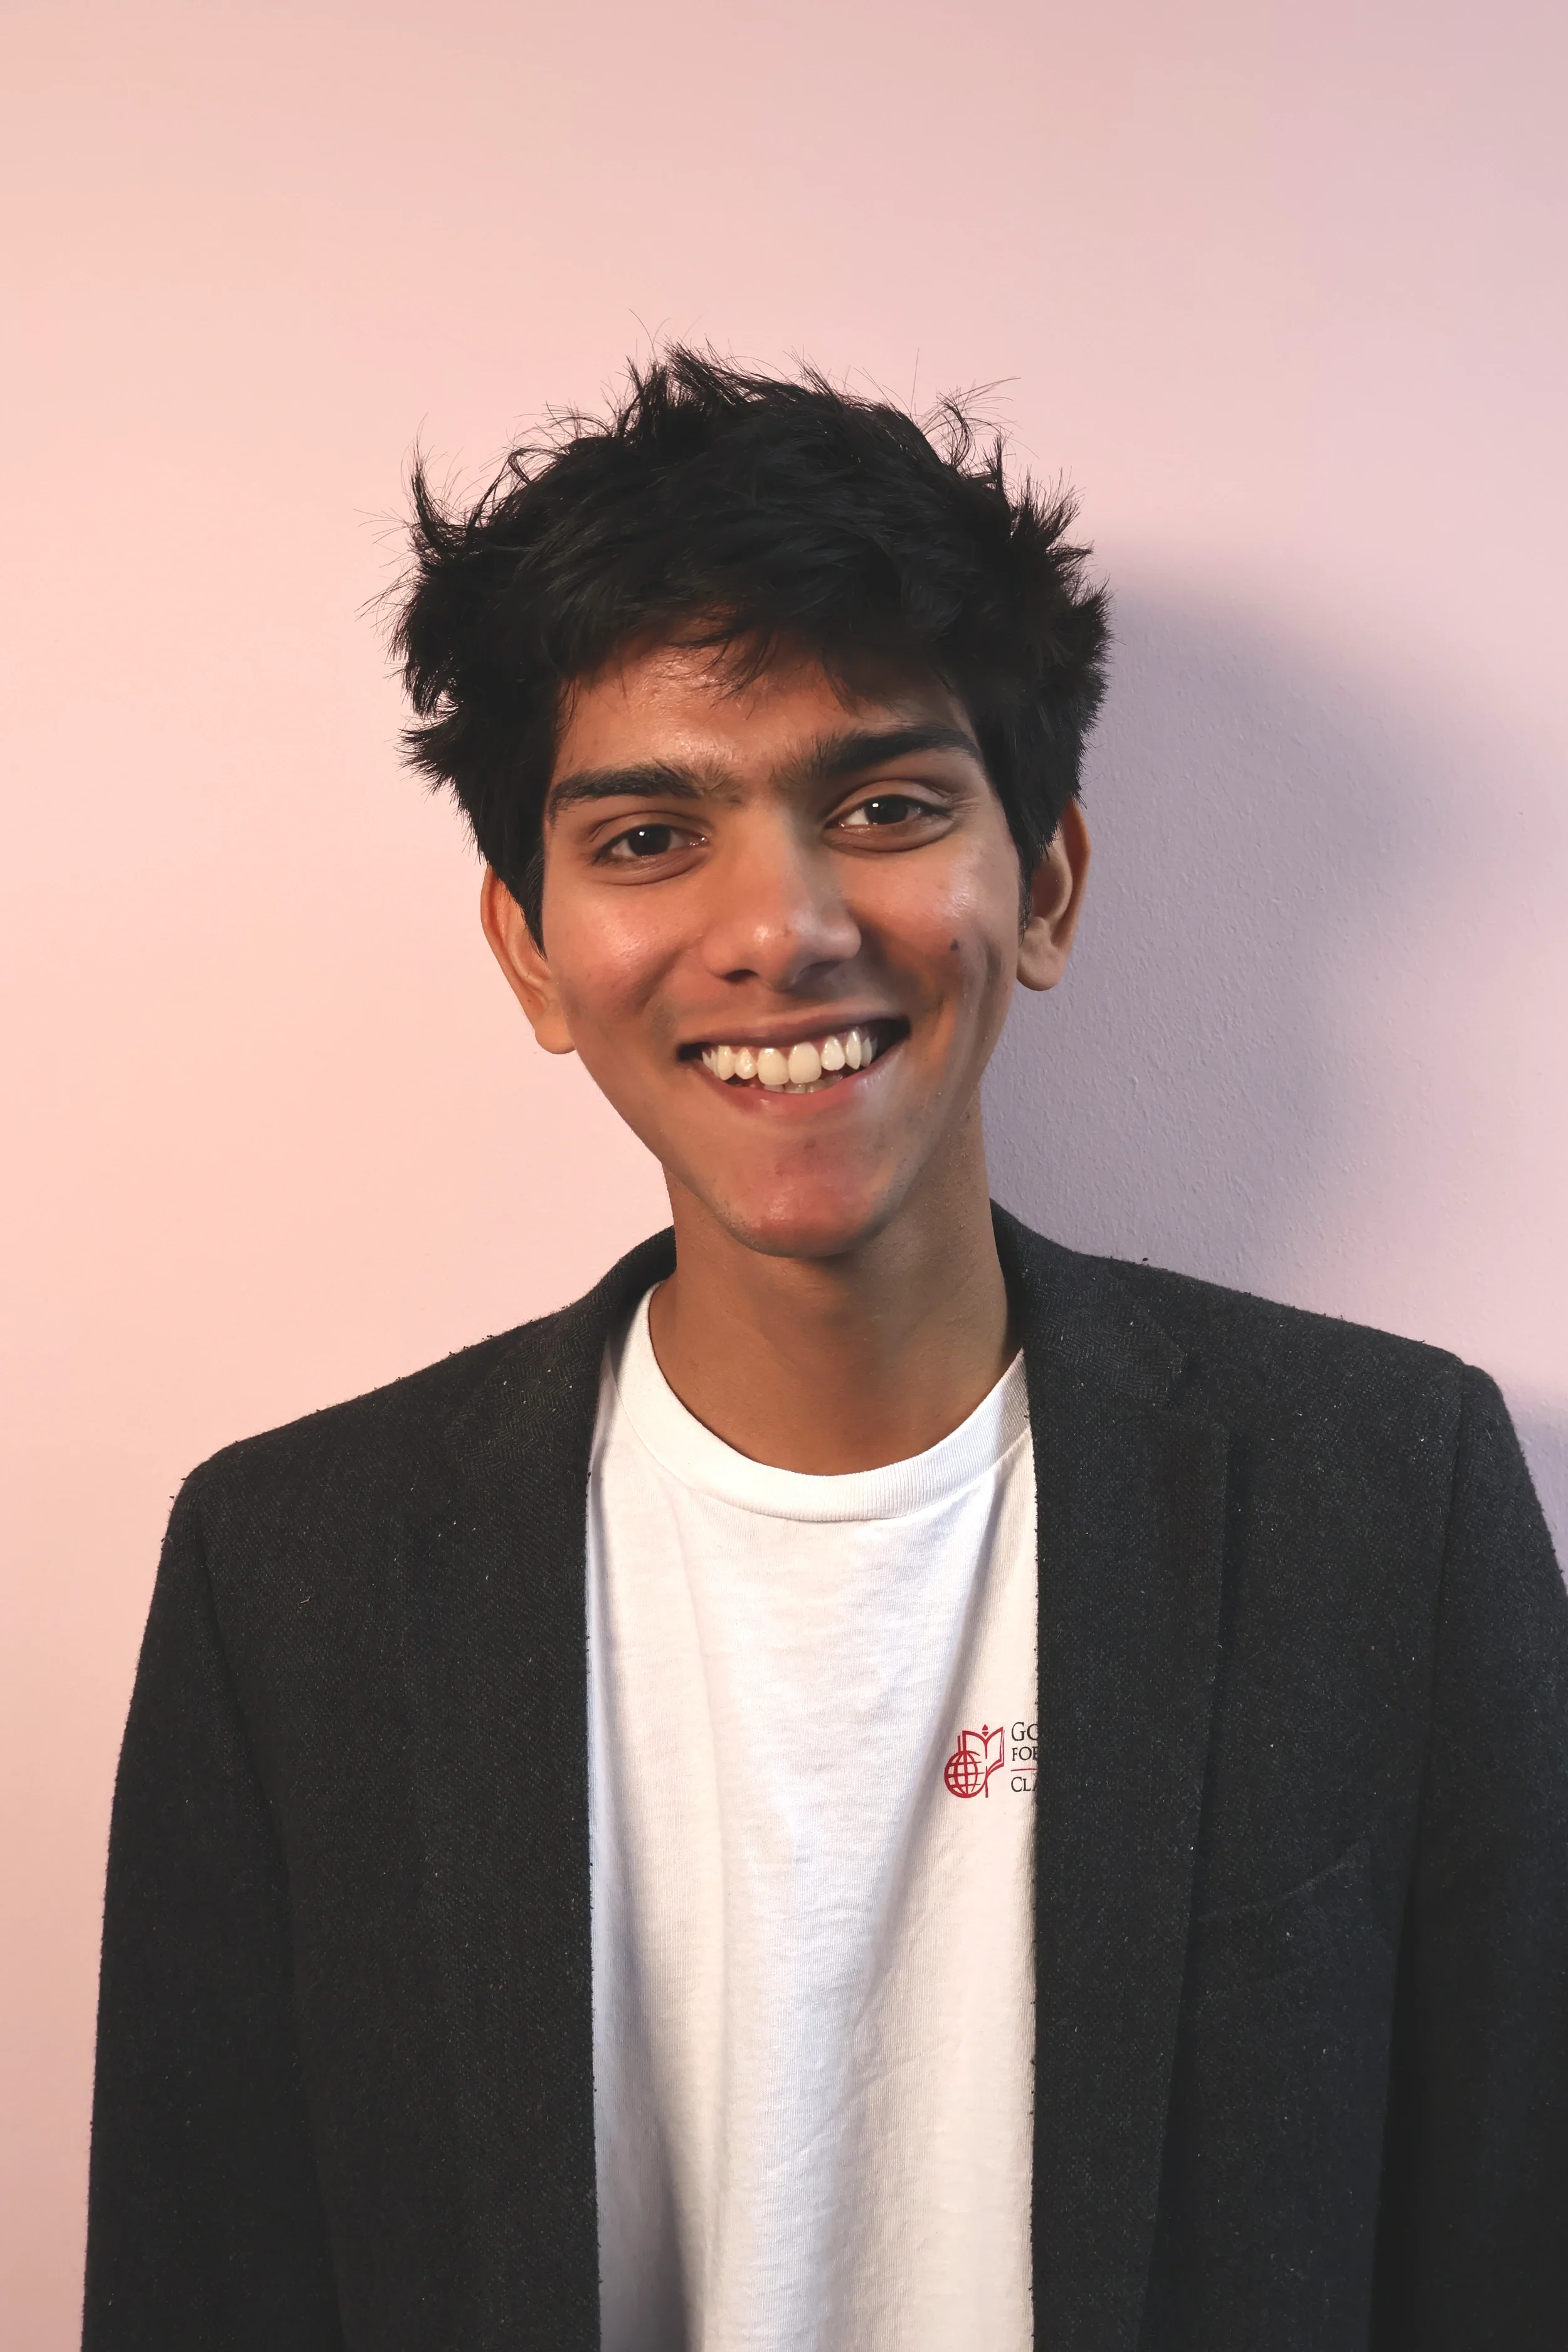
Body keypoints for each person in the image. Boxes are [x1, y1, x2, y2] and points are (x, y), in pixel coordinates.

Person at [83, 351, 1568, 2352]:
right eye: (642, 838)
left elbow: (1507, 2249)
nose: (776, 926)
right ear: (529, 947)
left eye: (879, 805)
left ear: (1038, 884)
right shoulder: (294, 1568)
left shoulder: (1386, 1488)